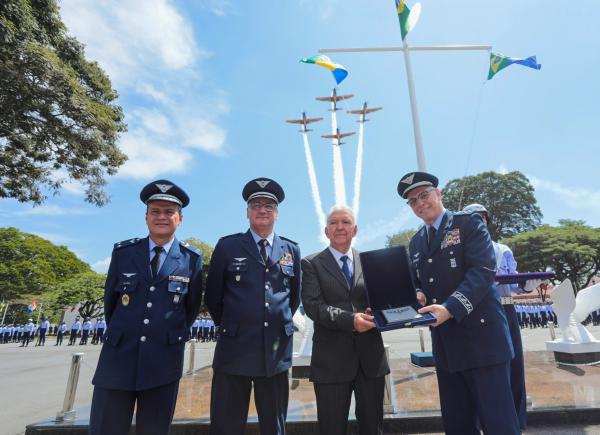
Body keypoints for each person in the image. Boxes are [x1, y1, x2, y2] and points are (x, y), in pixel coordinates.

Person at [398, 171, 520, 435]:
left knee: (499, 425)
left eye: (424, 195)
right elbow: (418, 282)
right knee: (458, 426)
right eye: (413, 201)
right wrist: (416, 295)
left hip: (483, 343)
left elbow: (482, 272)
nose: (420, 203)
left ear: (438, 194)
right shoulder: (417, 241)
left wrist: (450, 308)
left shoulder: (469, 224)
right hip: (447, 348)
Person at [89, 179, 203, 435]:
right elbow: (111, 304)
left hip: (163, 362)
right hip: (117, 360)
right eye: (155, 211)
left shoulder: (191, 259)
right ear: (146, 217)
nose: (161, 217)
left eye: (169, 212)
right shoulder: (124, 252)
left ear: (180, 218)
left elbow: (190, 309)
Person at [205, 177, 301, 435]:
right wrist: (235, 324)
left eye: (269, 206)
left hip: (275, 351)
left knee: (274, 424)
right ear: (247, 212)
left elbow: (293, 298)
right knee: (226, 424)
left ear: (276, 214)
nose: (262, 210)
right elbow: (213, 296)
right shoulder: (227, 246)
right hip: (234, 349)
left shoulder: (291, 249)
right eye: (256, 205)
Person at [301, 206, 389, 435]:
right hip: (332, 362)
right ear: (326, 231)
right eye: (334, 222)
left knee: (373, 427)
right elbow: (313, 306)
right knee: (331, 428)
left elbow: (381, 299)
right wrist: (351, 320)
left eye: (346, 222)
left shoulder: (370, 262)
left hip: (370, 360)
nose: (340, 227)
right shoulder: (311, 264)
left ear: (355, 229)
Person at [463, 203, 528, 429]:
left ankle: (515, 420)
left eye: (480, 218)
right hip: (476, 312)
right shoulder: (463, 251)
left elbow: (515, 282)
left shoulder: (502, 249)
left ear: (487, 221)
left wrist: (528, 285)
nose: (477, 222)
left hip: (505, 308)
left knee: (514, 365)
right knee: (484, 372)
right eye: (471, 219)